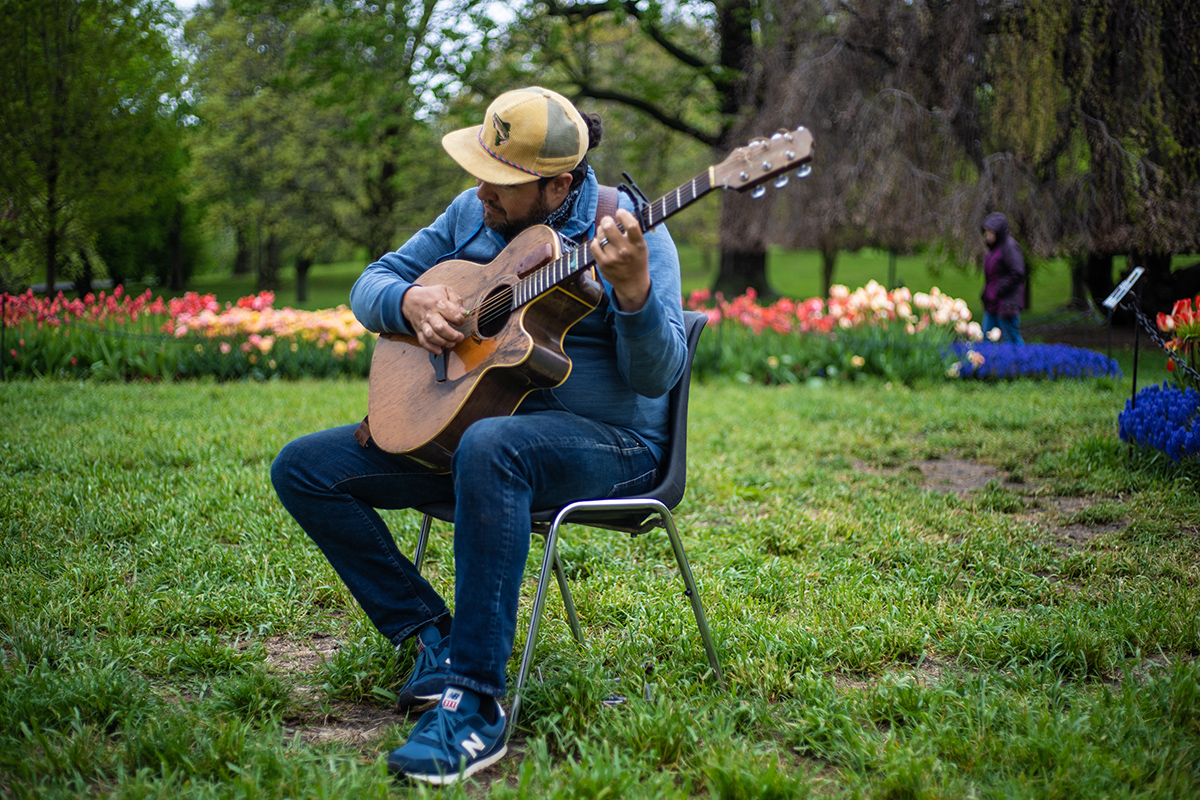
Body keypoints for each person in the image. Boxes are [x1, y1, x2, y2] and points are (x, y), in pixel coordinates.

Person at [270, 86, 686, 784]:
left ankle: (476, 704)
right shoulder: (473, 211)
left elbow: (658, 377)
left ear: (558, 184)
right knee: (305, 468)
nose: (481, 193)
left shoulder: (630, 229)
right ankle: (429, 639)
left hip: (614, 450)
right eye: (481, 172)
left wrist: (636, 295)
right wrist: (407, 302)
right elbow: (373, 281)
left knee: (492, 445)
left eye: (502, 182)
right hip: (479, 439)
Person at [980, 212, 1026, 344]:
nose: (986, 235)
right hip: (992, 303)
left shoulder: (1009, 247)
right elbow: (991, 276)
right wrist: (986, 293)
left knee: (1010, 338)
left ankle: (1022, 363)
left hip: (1007, 304)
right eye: (986, 231)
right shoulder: (993, 249)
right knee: (986, 338)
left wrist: (998, 289)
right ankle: (988, 364)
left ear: (998, 232)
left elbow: (1017, 273)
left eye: (990, 232)